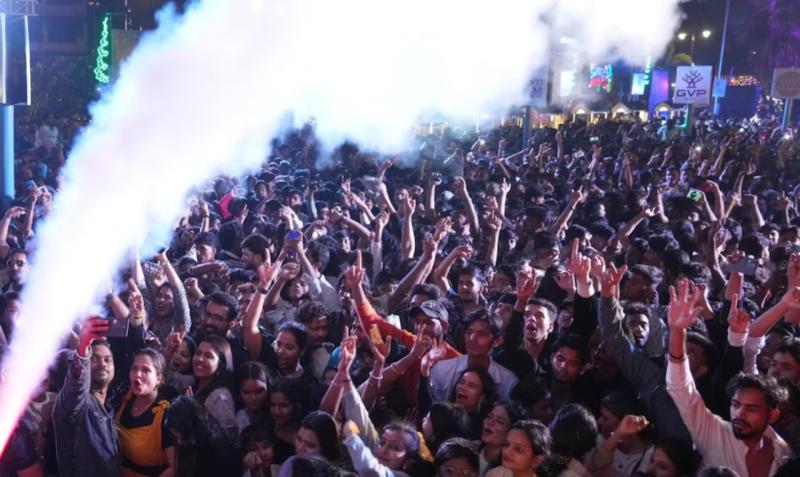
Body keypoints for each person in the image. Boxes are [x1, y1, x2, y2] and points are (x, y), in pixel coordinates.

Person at [666, 279, 793, 476]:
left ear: (773, 415)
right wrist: (677, 331)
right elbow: (681, 388)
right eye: (736, 404)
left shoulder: (783, 453)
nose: (739, 414)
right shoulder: (713, 432)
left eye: (751, 408)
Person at [52, 317, 122, 477]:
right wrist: (83, 348)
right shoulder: (74, 405)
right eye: (94, 359)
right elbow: (76, 387)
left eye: (107, 360)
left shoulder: (108, 409)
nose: (102, 364)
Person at [115, 348, 175, 477]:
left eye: (146, 370)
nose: (137, 374)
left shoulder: (165, 415)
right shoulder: (126, 400)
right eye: (134, 368)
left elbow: (175, 467)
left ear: (159, 378)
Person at [164, 396, 241, 477]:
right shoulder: (191, 447)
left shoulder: (220, 454)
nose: (179, 442)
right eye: (176, 437)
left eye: (182, 438)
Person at [192, 335, 238, 439]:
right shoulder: (195, 387)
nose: (200, 359)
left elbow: (228, 439)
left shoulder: (220, 398)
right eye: (198, 353)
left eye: (208, 356)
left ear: (221, 364)